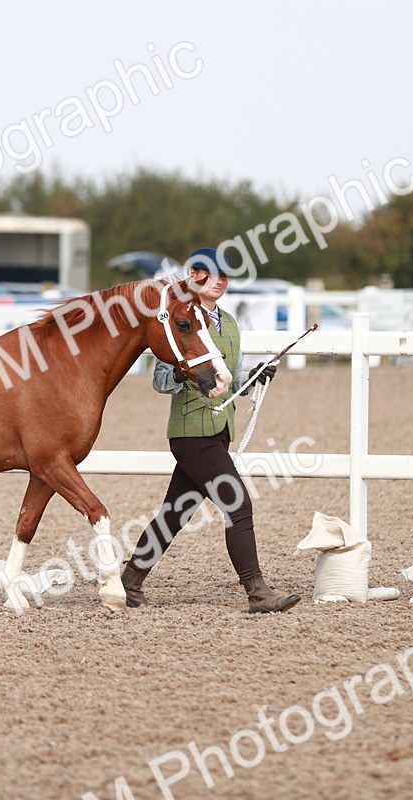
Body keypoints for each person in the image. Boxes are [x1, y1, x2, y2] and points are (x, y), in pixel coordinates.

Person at [122, 247, 302, 613]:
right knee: (238, 503)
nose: (220, 281)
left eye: (225, 275)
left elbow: (228, 378)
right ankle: (257, 592)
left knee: (175, 512)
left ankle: (128, 582)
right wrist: (182, 372)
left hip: (220, 429)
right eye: (211, 274)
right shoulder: (176, 319)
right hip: (191, 433)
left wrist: (252, 378)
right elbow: (160, 380)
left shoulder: (230, 323)